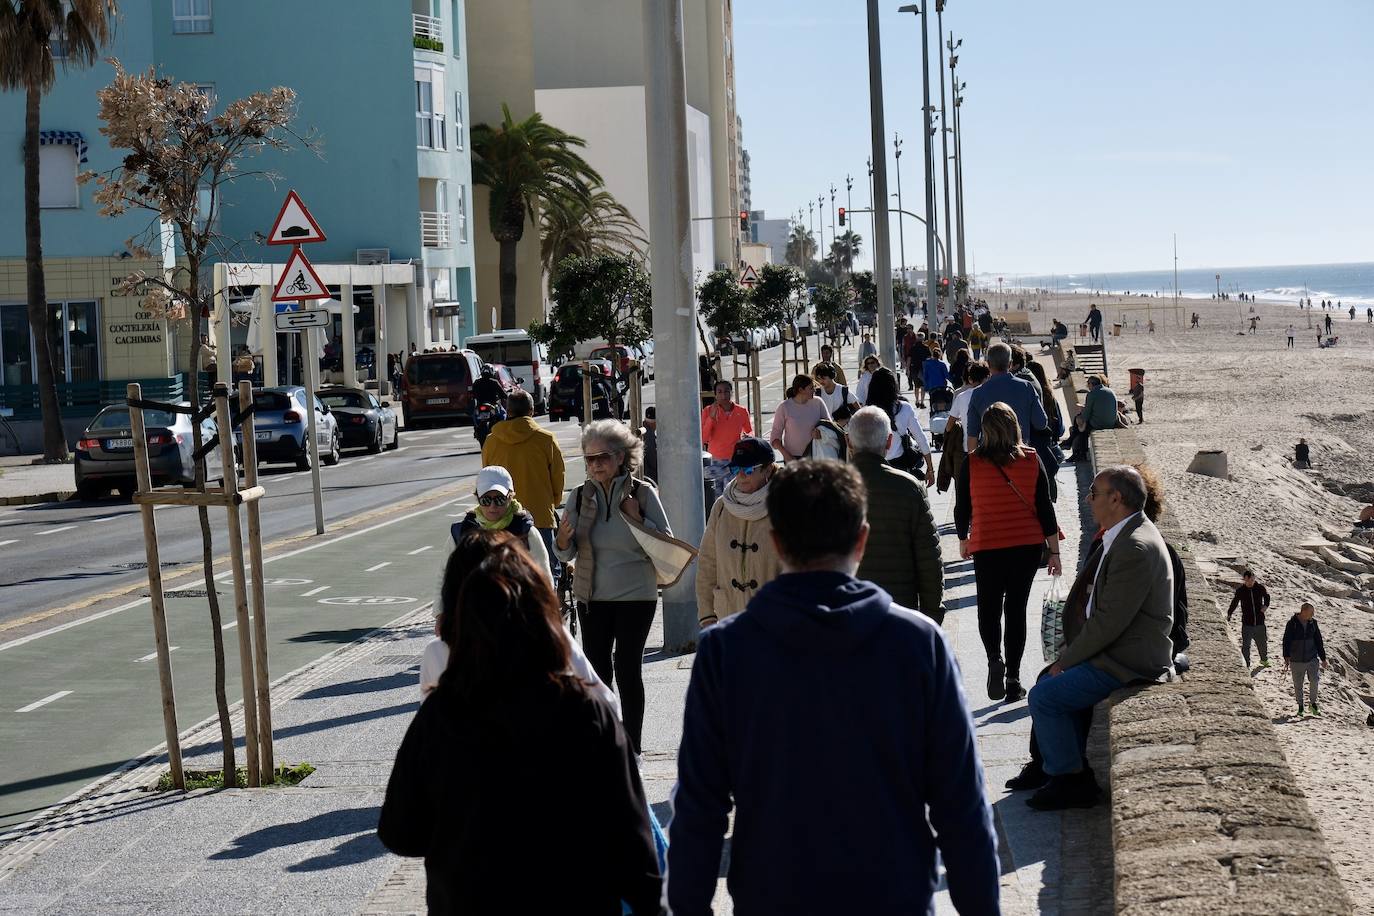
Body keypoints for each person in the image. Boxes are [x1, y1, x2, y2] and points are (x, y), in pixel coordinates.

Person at [667, 459, 1000, 915]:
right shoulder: (918, 644)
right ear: (861, 539)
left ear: (777, 543)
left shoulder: (726, 652)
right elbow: (960, 804)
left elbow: (699, 807)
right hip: (892, 892)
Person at [379, 535, 661, 913]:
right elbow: (634, 847)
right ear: (544, 615)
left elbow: (400, 831)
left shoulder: (442, 714)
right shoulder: (585, 710)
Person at [1005, 461, 1189, 793]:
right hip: (1118, 650)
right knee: (1049, 681)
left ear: (1115, 498)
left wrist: (1068, 660)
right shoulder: (1124, 535)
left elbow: (1108, 623)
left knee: (1045, 695)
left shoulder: (1134, 545)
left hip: (1128, 660)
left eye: (1094, 493)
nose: (1088, 500)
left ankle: (1070, 780)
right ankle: (1061, 767)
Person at [554, 420, 672, 755]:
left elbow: (664, 541)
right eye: (589, 459)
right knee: (598, 671)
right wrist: (562, 542)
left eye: (602, 457)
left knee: (627, 667)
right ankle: (604, 746)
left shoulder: (642, 493)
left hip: (637, 595)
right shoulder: (579, 497)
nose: (595, 465)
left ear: (620, 457)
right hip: (592, 596)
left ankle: (632, 748)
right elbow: (566, 552)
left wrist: (638, 519)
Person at [955, 403, 1063, 702]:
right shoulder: (1030, 459)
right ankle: (1014, 679)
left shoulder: (972, 462)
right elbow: (1045, 507)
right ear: (1015, 426)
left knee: (987, 608)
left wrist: (963, 539)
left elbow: (962, 506)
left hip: (988, 545)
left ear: (985, 431)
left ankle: (994, 660)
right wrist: (1054, 552)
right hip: (1026, 546)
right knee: (1016, 610)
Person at [848, 407, 944, 621]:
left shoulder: (827, 489)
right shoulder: (908, 488)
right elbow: (928, 558)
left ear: (849, 442)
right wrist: (932, 613)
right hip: (900, 611)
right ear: (889, 442)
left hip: (847, 614)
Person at [696, 437, 782, 628]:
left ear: (768, 469)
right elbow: (708, 562)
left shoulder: (786, 504)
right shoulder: (722, 506)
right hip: (729, 618)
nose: (741, 475)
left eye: (749, 469)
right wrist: (707, 614)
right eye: (736, 469)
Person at [480, 390, 566, 567]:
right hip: (539, 515)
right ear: (532, 411)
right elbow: (558, 475)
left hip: (502, 517)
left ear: (507, 411)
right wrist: (553, 502)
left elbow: (487, 477)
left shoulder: (491, 441)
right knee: (546, 571)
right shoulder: (546, 439)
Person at [965, 342, 1049, 452]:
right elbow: (1041, 423)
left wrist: (974, 464)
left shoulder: (978, 393)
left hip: (990, 458)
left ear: (988, 364)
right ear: (1010, 364)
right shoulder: (1026, 387)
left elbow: (972, 435)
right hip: (1020, 455)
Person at [864, 367, 934, 484]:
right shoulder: (904, 408)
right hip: (901, 468)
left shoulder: (866, 412)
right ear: (893, 386)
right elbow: (921, 438)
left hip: (875, 468)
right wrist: (930, 469)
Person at [700, 380, 753, 498]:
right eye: (719, 392)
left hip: (735, 460)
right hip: (715, 461)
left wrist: (747, 437)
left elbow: (749, 431)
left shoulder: (741, 411)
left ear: (731, 393)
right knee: (716, 497)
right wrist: (711, 419)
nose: (723, 395)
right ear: (715, 394)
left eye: (726, 391)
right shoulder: (708, 411)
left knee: (733, 495)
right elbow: (703, 438)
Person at [769, 374, 831, 462]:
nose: (814, 390)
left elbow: (830, 426)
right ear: (801, 390)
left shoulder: (818, 402)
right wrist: (786, 455)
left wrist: (821, 432)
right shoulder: (784, 407)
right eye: (811, 388)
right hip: (793, 458)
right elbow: (775, 437)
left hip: (817, 455)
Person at [1282, 602, 1328, 716]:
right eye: (1310, 612)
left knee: (1314, 681)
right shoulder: (1292, 624)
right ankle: (1300, 706)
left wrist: (1323, 658)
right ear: (1303, 611)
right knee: (1298, 684)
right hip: (1296, 660)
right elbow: (1286, 640)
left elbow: (1318, 641)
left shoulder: (1313, 623)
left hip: (1312, 658)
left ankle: (1312, 704)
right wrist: (1286, 656)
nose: (1312, 614)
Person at [1062, 375, 1119, 462]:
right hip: (1111, 422)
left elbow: (1086, 415)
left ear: (1091, 384)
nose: (1087, 386)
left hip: (1099, 424)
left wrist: (1082, 409)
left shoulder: (1092, 394)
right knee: (1079, 426)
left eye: (1088, 383)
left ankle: (1078, 452)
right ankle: (1073, 447)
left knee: (1079, 424)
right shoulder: (1110, 391)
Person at [1228, 569, 1271, 668]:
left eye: (1252, 580)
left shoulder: (1260, 588)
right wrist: (1229, 613)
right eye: (1248, 580)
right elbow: (1234, 602)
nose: (1251, 582)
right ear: (1244, 579)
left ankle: (1264, 660)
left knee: (1262, 643)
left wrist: (1265, 606)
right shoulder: (1240, 591)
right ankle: (1246, 664)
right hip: (1247, 623)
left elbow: (1267, 597)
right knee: (1246, 645)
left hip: (1260, 621)